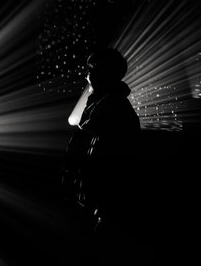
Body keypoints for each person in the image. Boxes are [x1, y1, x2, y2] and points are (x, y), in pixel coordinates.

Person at [62, 48, 150, 265]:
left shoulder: (112, 105)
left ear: (104, 73)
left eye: (91, 70)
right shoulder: (106, 101)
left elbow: (106, 152)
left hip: (105, 191)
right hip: (95, 189)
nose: (86, 75)